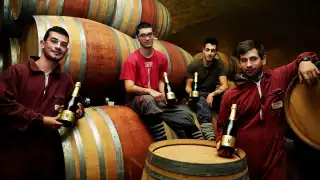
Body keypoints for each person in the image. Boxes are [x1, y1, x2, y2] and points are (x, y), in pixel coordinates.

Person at [216, 40, 320, 180]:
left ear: (263, 59)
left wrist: (305, 60)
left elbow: (306, 56)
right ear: (239, 63)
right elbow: (221, 125)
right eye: (244, 60)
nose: (248, 65)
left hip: (274, 158)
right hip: (245, 158)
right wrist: (219, 142)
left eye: (253, 59)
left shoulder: (278, 77)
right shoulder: (231, 94)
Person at [0, 26, 85, 180]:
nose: (59, 47)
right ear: (42, 43)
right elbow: (3, 104)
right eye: (54, 41)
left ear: (66, 50)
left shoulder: (66, 81)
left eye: (64, 44)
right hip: (13, 156)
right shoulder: (17, 72)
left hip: (45, 160)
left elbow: (75, 104)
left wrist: (79, 110)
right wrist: (42, 120)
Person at [120, 22, 203, 141]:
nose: (147, 38)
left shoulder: (161, 58)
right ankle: (161, 141)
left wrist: (163, 94)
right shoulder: (131, 60)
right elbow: (129, 87)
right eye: (143, 35)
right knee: (148, 101)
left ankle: (201, 144)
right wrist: (149, 91)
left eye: (150, 34)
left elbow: (161, 80)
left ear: (154, 36)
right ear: (138, 38)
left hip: (155, 101)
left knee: (185, 113)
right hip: (137, 100)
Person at [185, 37, 229, 141]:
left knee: (227, 95)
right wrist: (192, 94)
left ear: (216, 52)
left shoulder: (219, 65)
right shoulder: (194, 65)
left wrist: (212, 94)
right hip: (198, 95)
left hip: (211, 94)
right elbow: (187, 86)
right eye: (207, 50)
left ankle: (226, 127)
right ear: (203, 50)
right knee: (201, 100)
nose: (210, 53)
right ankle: (209, 134)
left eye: (213, 51)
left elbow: (225, 85)